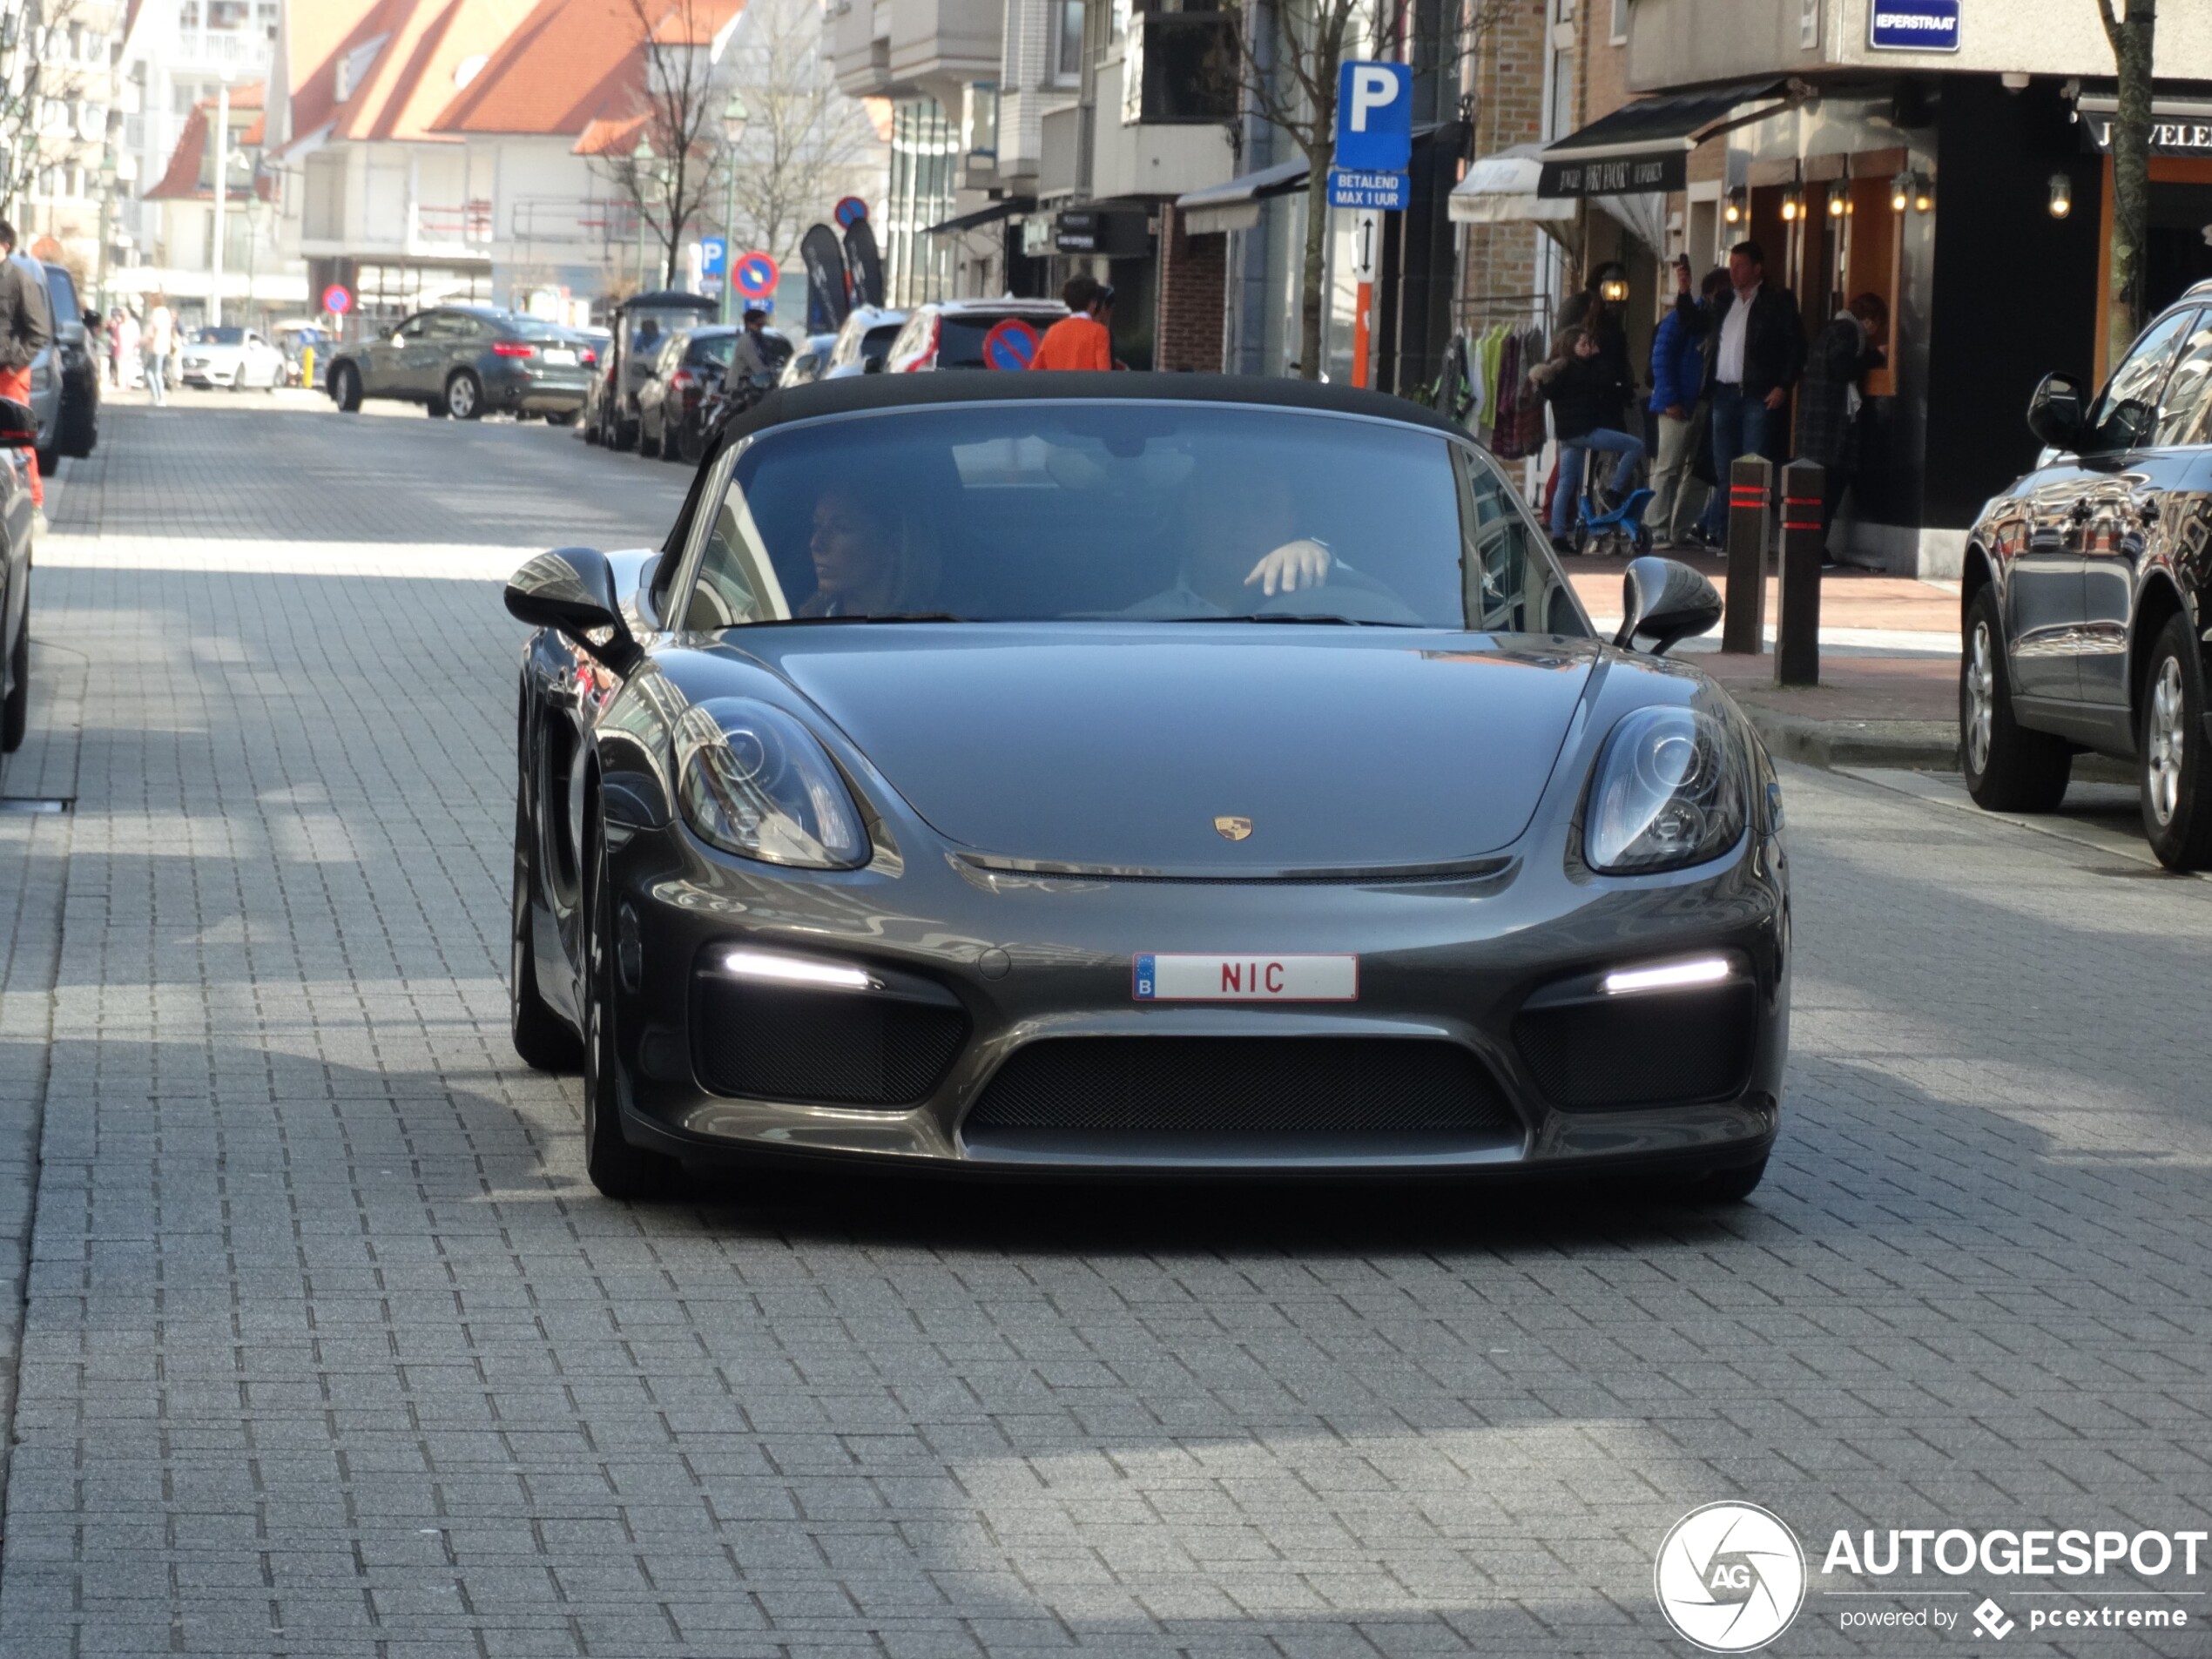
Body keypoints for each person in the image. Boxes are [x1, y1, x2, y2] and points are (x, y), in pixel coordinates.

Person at [1688, 240, 1804, 545]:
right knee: (1724, 470)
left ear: (1757, 268)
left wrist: (1783, 385)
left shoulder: (1777, 301)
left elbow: (1795, 345)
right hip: (1724, 395)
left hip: (1757, 394)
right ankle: (1726, 537)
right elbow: (1694, 324)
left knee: (1752, 470)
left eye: (1740, 266)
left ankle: (1748, 540)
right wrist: (1683, 292)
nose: (1734, 271)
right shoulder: (1724, 300)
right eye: (1731, 265)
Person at [1530, 325, 1646, 553]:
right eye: (1583, 344)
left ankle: (1559, 536)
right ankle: (1613, 491)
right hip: (1586, 432)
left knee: (1566, 483)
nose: (1588, 348)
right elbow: (1602, 383)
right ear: (1571, 349)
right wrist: (1596, 355)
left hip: (1567, 436)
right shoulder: (1581, 370)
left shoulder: (1557, 373)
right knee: (1635, 445)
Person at [1795, 291, 1889, 566]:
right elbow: (1843, 367)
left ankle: (1810, 547)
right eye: (1876, 325)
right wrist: (1875, 357)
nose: (1874, 332)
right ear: (1869, 320)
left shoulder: (1832, 329)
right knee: (1829, 488)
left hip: (1816, 424)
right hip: (1831, 427)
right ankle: (1814, 548)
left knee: (1816, 490)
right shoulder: (1850, 331)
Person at [1645, 262, 1728, 550]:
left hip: (1703, 399)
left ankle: (1679, 528)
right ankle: (1657, 527)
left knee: (1695, 471)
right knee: (1669, 468)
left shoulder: (1714, 319)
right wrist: (1669, 399)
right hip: (1681, 401)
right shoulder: (1683, 318)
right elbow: (1662, 355)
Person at [799, 486, 941, 617]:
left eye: (841, 528)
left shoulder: (929, 631)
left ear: (892, 546)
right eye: (817, 525)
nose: (816, 543)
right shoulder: (807, 623)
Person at [0, 221, 51, 521]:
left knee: (17, 437)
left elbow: (39, 332)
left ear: (5, 246)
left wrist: (16, 363)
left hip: (10, 374)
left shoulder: (20, 281)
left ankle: (34, 502)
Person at [1031, 274, 1114, 371]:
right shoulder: (1099, 332)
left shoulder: (1053, 331)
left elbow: (1035, 369)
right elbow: (1104, 374)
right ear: (1093, 303)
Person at [721, 306, 774, 395]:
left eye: (763, 325)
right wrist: (769, 376)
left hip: (752, 385)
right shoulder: (746, 340)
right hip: (739, 387)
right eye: (759, 325)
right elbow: (755, 363)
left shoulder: (759, 339)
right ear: (749, 324)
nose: (761, 329)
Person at [144, 295, 174, 406]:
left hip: (155, 346)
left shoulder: (156, 312)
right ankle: (160, 397)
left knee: (150, 371)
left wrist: (146, 339)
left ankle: (157, 397)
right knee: (157, 371)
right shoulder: (166, 312)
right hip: (164, 346)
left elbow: (154, 329)